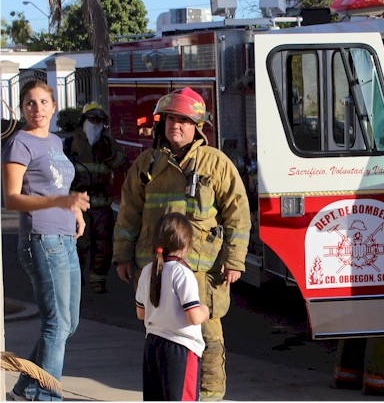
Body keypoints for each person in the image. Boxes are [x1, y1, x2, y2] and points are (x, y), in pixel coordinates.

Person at [113, 87, 251, 401]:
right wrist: (122, 255)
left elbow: (238, 215)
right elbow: (129, 212)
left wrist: (234, 260)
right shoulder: (146, 165)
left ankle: (209, 396)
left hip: (203, 273)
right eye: (171, 119)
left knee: (209, 340)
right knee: (161, 339)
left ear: (197, 127)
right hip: (157, 269)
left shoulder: (215, 164)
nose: (176, 125)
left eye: (185, 120)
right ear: (161, 123)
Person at [2, 79, 90, 401]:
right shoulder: (19, 143)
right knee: (56, 324)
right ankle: (47, 396)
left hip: (65, 236)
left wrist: (74, 209)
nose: (37, 108)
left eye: (43, 102)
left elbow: (54, 187)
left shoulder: (54, 141)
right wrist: (58, 204)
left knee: (69, 322)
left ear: (54, 106)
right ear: (23, 107)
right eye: (30, 103)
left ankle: (26, 389)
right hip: (41, 237)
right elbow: (11, 199)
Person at [136, 212, 209, 401]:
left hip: (152, 344)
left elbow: (140, 313)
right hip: (180, 348)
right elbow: (194, 316)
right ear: (186, 244)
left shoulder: (147, 271)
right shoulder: (182, 273)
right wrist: (205, 310)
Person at [64, 101, 128, 293]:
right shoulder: (70, 144)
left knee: (103, 246)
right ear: (84, 121)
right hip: (78, 206)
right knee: (79, 245)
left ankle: (97, 282)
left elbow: (123, 164)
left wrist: (109, 156)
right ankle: (76, 281)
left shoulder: (109, 144)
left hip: (102, 206)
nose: (96, 123)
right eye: (92, 119)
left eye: (100, 120)